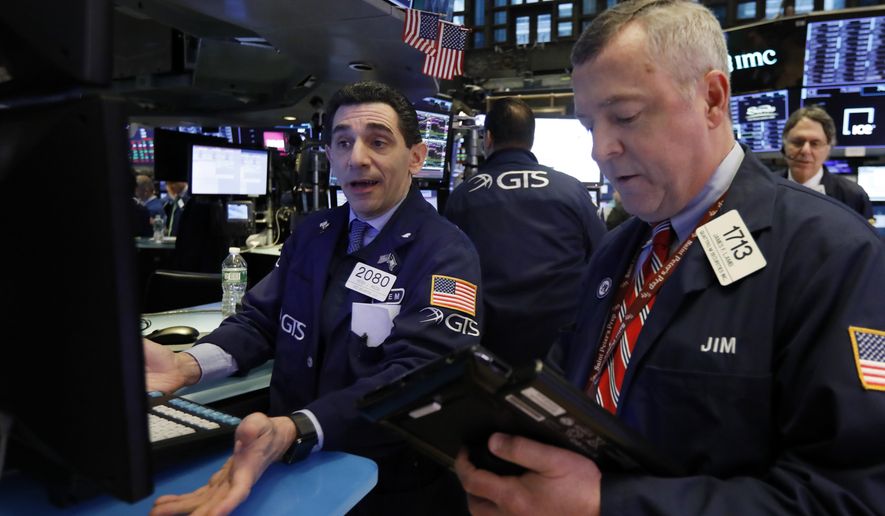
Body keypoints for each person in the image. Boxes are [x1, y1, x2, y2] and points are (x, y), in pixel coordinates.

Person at [454, 1, 885, 514]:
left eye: (626, 116)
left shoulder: (833, 255)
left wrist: (608, 506)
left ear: (712, 99)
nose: (600, 150)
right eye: (590, 125)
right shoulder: (617, 251)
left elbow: (852, 498)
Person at [146, 81, 482, 515]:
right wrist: (187, 365)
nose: (356, 157)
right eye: (343, 143)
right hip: (288, 461)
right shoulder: (314, 232)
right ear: (330, 157)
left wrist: (300, 428)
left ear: (416, 157)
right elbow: (260, 321)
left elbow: (423, 373)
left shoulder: (446, 252)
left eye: (378, 142)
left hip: (382, 479)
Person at [445, 97, 606, 366]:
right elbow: (604, 255)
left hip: (491, 351)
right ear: (531, 138)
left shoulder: (462, 198)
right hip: (565, 350)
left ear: (488, 138)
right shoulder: (571, 189)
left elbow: (449, 276)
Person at [779, 105, 875, 223]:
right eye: (797, 142)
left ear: (828, 148)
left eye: (815, 143)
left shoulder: (853, 196)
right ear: (784, 145)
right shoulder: (766, 188)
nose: (805, 151)